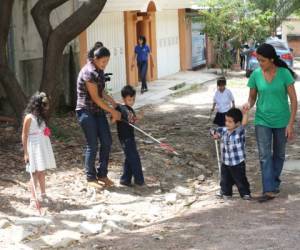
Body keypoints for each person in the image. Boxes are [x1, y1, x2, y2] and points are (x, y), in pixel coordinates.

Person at [243, 43, 298, 202]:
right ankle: (269, 189)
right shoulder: (255, 75)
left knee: (279, 155)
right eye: (258, 60)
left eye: (263, 61)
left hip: (282, 121)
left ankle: (273, 182)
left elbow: (294, 101)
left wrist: (290, 124)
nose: (260, 64)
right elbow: (252, 97)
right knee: (264, 155)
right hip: (262, 120)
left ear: (271, 59)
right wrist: (248, 104)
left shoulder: (284, 74)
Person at [76, 45, 121, 189]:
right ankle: (90, 178)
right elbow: (95, 98)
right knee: (93, 145)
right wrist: (112, 112)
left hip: (97, 111)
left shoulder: (99, 71)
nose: (105, 64)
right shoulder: (88, 72)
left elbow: (101, 92)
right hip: (85, 111)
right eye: (103, 61)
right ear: (95, 59)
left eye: (107, 61)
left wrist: (114, 103)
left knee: (107, 141)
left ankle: (102, 174)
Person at [22, 92, 56, 207]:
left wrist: (46, 131)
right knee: (34, 172)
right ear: (38, 105)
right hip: (34, 147)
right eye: (45, 105)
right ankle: (32, 197)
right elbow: (24, 135)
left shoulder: (41, 118)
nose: (47, 107)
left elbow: (42, 129)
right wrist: (26, 153)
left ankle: (43, 194)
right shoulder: (29, 117)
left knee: (42, 171)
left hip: (42, 145)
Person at [211, 108, 251, 200]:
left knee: (240, 179)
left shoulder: (239, 131)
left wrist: (245, 113)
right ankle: (226, 192)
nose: (227, 123)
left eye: (230, 121)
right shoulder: (224, 130)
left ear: (237, 123)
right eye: (226, 120)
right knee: (225, 179)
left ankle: (245, 193)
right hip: (225, 161)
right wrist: (214, 134)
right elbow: (213, 130)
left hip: (237, 162)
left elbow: (244, 123)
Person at [116, 85, 145, 187]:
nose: (131, 102)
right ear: (124, 99)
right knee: (134, 157)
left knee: (130, 157)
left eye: (133, 99)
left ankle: (125, 180)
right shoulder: (120, 108)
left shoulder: (131, 110)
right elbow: (112, 118)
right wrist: (116, 116)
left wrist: (138, 117)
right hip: (125, 138)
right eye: (129, 100)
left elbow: (132, 120)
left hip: (130, 136)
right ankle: (139, 180)